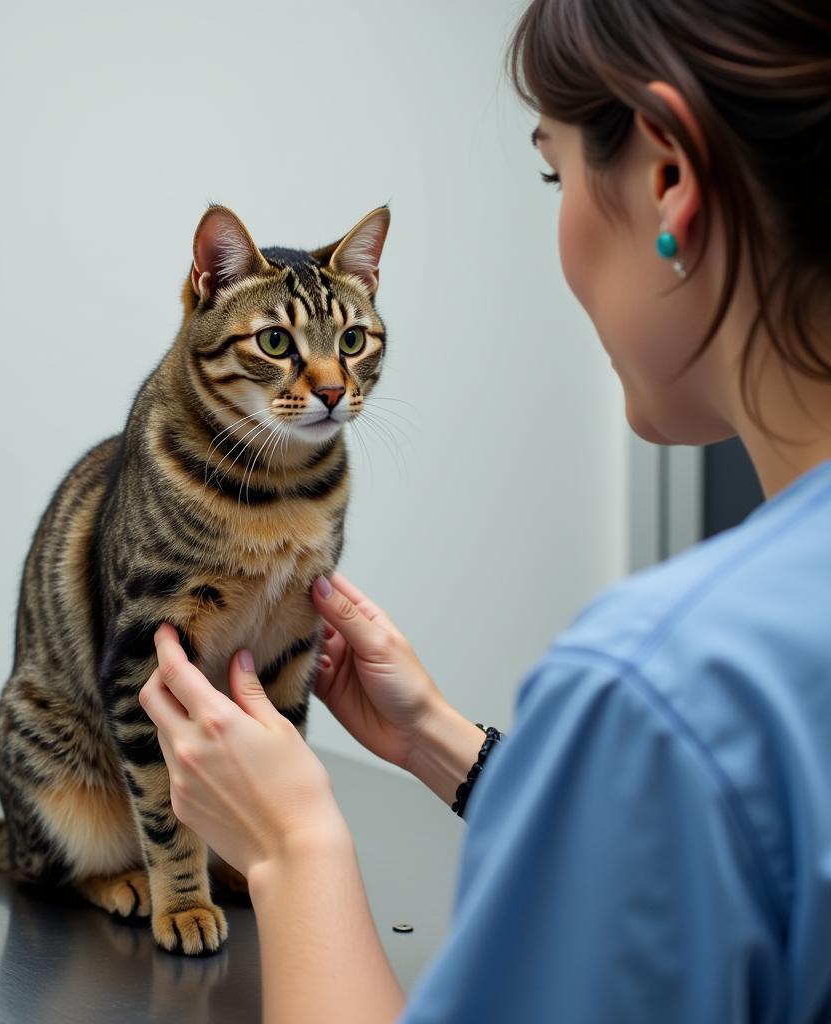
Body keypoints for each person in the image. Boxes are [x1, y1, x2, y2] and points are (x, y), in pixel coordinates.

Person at [140, 0, 831, 1019]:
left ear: (669, 180)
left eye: (553, 172)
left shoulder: (661, 681)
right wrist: (439, 742)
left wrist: (294, 849)